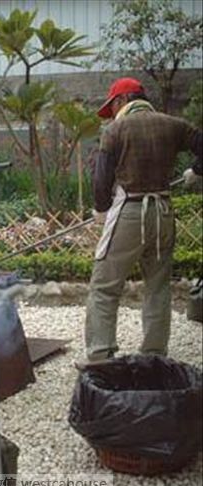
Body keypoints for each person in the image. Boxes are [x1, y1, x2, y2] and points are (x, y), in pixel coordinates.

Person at [84, 77, 202, 362]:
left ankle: (100, 354)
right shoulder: (174, 124)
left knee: (104, 286)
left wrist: (101, 210)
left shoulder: (115, 130)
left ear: (123, 100)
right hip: (163, 211)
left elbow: (101, 178)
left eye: (112, 107)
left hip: (130, 211)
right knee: (158, 285)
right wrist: (197, 170)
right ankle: (154, 354)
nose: (111, 114)